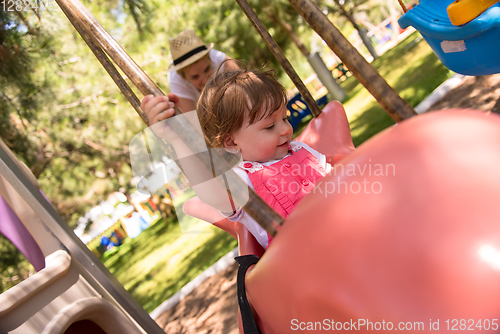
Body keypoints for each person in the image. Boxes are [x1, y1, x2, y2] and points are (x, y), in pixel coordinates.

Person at [190, 66, 332, 249]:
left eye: (285, 118)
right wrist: (177, 141)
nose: (286, 129)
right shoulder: (240, 181)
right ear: (231, 142)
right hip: (305, 258)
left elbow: (336, 180)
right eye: (269, 126)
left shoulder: (301, 150)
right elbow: (210, 192)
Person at [141, 29, 239, 123]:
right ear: (184, 78)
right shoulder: (176, 80)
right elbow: (194, 122)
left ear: (210, 60)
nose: (205, 80)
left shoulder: (220, 60)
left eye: (207, 69)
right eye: (195, 77)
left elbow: (245, 89)